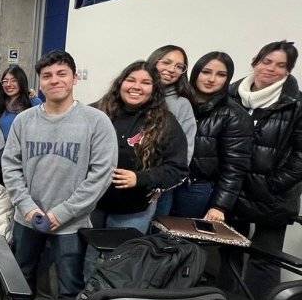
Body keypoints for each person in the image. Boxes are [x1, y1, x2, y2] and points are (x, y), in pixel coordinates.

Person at [2, 50, 117, 300]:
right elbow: (10, 166)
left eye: (62, 74)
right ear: (40, 82)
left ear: (74, 78)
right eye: (47, 76)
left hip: (71, 223)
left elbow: (100, 176)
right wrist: (28, 208)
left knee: (70, 283)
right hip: (27, 218)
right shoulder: (24, 120)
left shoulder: (96, 121)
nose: (54, 80)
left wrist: (61, 213)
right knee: (22, 274)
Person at [223, 40, 302, 300]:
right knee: (229, 255)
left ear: (288, 71)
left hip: (273, 196)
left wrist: (275, 184)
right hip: (234, 189)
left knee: (265, 260)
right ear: (255, 62)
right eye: (266, 61)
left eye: (280, 65)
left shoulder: (296, 103)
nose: (271, 69)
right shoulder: (231, 94)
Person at [90, 61, 187, 236]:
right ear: (120, 83)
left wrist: (140, 178)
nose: (136, 87)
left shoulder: (166, 123)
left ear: (155, 89)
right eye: (131, 80)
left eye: (146, 82)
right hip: (91, 204)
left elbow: (177, 169)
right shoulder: (95, 113)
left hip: (133, 210)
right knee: (87, 252)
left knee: (123, 252)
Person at [169, 52, 252, 220]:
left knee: (182, 235)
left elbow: (235, 167)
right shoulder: (178, 102)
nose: (211, 79)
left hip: (195, 188)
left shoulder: (235, 115)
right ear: (195, 72)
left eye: (221, 75)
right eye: (206, 72)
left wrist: (220, 206)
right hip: (165, 181)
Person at [147, 45, 196, 216]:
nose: (171, 69)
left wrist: (162, 185)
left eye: (179, 66)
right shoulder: (135, 93)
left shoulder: (182, 104)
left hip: (159, 186)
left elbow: (186, 149)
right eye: (166, 62)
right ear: (154, 61)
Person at [0, 65, 42, 140]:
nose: (8, 84)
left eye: (13, 80)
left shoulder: (33, 102)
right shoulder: (0, 103)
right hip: (5, 146)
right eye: (5, 81)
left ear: (21, 82)